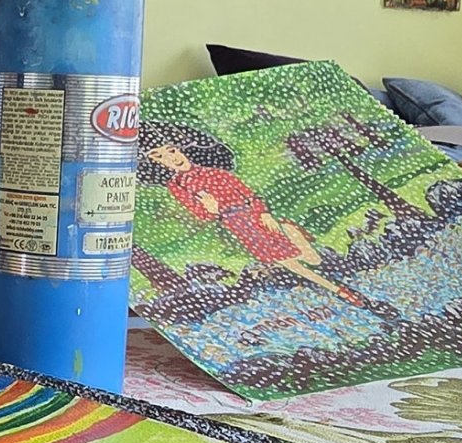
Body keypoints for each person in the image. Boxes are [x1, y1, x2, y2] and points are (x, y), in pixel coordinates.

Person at [137, 121, 360, 305]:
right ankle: (338, 290)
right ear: (155, 163)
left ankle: (333, 273)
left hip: (253, 214)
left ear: (181, 148)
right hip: (236, 223)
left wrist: (264, 213)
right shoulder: (177, 186)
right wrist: (211, 208)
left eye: (171, 151)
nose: (170, 158)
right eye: (159, 156)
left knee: (307, 252)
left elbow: (249, 195)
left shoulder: (215, 173)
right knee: (289, 263)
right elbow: (202, 215)